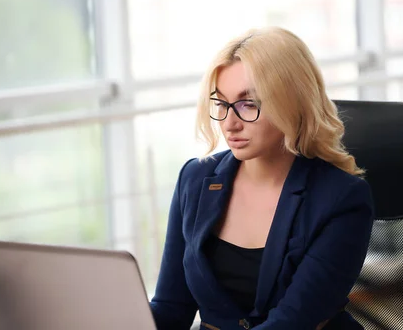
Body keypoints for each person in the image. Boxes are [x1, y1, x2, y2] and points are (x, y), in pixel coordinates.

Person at [150, 27, 374, 330]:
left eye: (248, 104)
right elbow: (171, 308)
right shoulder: (195, 179)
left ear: (292, 103)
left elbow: (292, 322)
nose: (230, 124)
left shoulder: (342, 198)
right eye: (221, 103)